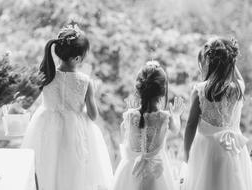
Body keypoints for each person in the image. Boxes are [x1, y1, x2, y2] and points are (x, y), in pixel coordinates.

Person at [22, 24, 113, 190]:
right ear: (77, 59)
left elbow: (26, 103)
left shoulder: (46, 76)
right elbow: (93, 116)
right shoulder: (85, 82)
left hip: (45, 128)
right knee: (73, 172)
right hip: (75, 132)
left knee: (46, 169)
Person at [183, 37, 252, 190]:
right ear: (231, 63)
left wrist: (186, 151)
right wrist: (229, 59)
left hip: (208, 150)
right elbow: (238, 76)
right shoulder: (238, 88)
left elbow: (190, 125)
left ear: (208, 62)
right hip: (234, 151)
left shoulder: (200, 90)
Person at [112, 61, 184, 190]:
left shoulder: (129, 116)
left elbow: (125, 136)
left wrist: (131, 112)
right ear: (163, 92)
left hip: (130, 171)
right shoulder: (164, 117)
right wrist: (177, 115)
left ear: (139, 90)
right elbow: (176, 129)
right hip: (157, 174)